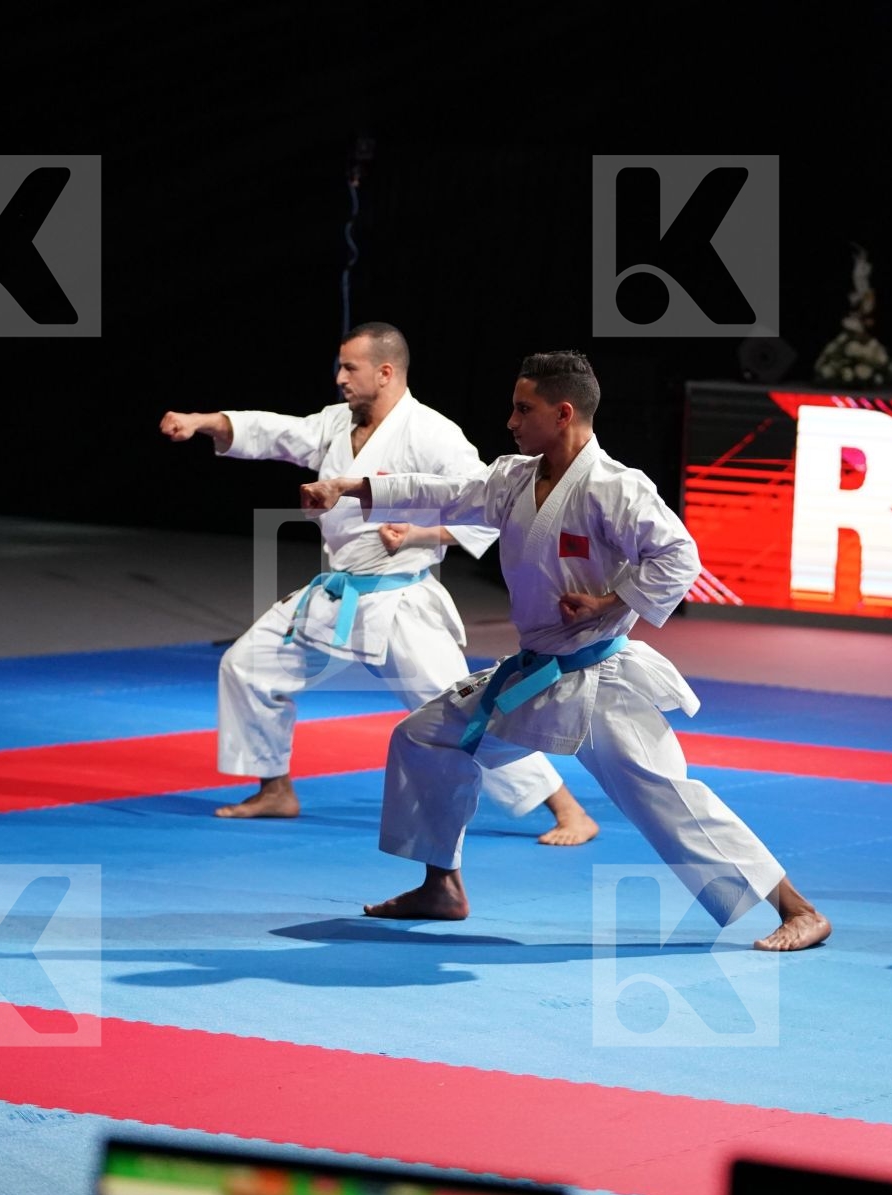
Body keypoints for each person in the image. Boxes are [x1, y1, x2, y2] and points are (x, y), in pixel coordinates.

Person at [300, 351, 831, 952]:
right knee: (426, 736)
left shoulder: (615, 487)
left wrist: (611, 602)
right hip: (532, 673)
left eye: (524, 409)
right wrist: (352, 487)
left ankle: (799, 909)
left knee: (664, 797)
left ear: (564, 412)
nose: (511, 420)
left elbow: (680, 557)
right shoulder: (515, 478)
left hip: (598, 677)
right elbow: (447, 492)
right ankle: (440, 885)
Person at [159, 323, 597, 846]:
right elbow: (276, 431)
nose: (340, 378)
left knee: (459, 712)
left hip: (399, 602)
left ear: (385, 372)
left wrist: (421, 533)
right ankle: (275, 787)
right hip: (336, 593)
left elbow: (488, 507)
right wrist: (203, 421)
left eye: (350, 368)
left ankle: (569, 810)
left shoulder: (433, 434)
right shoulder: (335, 425)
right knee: (248, 665)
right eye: (339, 367)